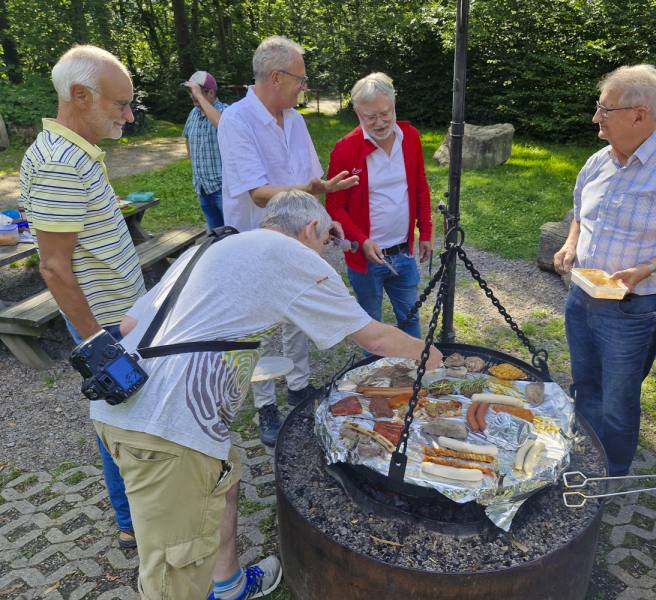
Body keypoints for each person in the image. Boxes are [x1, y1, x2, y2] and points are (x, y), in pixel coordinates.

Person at [91, 190, 443, 600]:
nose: (328, 250)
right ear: (310, 228)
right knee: (176, 568)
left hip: (127, 401)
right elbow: (375, 338)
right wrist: (433, 355)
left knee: (225, 482)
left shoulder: (212, 248)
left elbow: (131, 324)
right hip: (165, 430)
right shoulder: (292, 256)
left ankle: (229, 586)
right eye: (329, 238)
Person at [553, 64, 656, 476]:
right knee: (584, 386)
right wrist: (571, 244)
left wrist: (647, 268)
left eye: (605, 110)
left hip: (630, 309)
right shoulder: (598, 161)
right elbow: (579, 213)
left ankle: (611, 474)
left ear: (639, 114)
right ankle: (583, 457)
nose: (595, 118)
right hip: (581, 295)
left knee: (617, 401)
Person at [18, 44, 145, 550]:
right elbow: (53, 266)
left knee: (126, 414)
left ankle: (135, 512)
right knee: (117, 415)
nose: (128, 115)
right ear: (80, 95)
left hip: (119, 316)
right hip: (104, 326)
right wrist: (98, 344)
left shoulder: (77, 153)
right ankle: (131, 522)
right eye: (120, 104)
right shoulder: (56, 163)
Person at [217, 35, 357, 445]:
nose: (304, 87)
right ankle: (265, 405)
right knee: (258, 325)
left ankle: (297, 385)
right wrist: (311, 189)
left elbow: (311, 184)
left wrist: (325, 220)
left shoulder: (294, 120)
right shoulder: (237, 120)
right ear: (276, 77)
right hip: (255, 242)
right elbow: (258, 193)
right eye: (301, 79)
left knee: (296, 316)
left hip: (299, 239)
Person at [326, 72, 433, 339]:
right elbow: (334, 207)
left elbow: (419, 185)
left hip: (403, 252)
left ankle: (412, 377)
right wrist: (361, 240)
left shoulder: (409, 137)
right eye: (369, 117)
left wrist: (426, 232)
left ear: (394, 104)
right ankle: (373, 378)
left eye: (385, 113)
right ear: (357, 112)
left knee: (410, 318)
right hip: (366, 258)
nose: (379, 122)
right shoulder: (345, 149)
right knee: (370, 327)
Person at [182, 70, 228, 230]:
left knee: (234, 233)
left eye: (197, 92)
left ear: (211, 92)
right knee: (216, 237)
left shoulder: (225, 111)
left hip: (223, 188)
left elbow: (222, 125)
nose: (193, 96)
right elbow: (187, 135)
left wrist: (200, 98)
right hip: (202, 188)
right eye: (190, 92)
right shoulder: (193, 113)